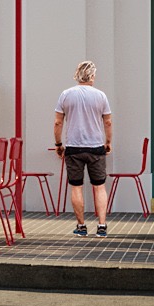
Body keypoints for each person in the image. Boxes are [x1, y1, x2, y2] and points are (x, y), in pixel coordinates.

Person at [54, 60, 112, 237]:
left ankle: (81, 226)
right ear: (92, 76)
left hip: (74, 148)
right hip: (96, 147)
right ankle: (101, 226)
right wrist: (108, 142)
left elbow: (58, 122)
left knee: (76, 187)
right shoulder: (101, 96)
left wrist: (58, 144)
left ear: (77, 75)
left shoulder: (66, 95)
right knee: (99, 187)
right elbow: (108, 122)